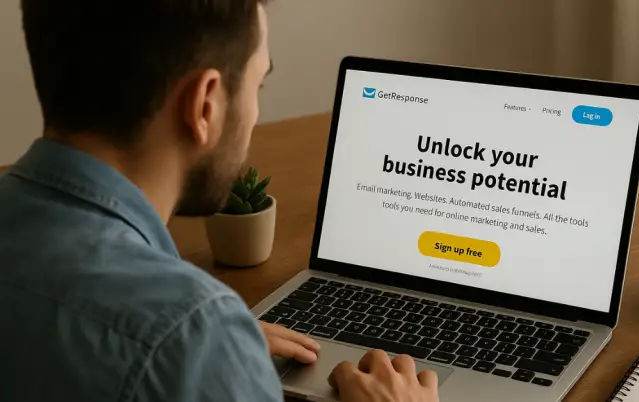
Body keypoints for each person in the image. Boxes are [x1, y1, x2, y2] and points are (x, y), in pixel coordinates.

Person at [0, 1, 438, 401]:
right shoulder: (191, 342)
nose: (254, 111)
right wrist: (210, 351)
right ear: (204, 105)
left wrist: (220, 353)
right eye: (257, 85)